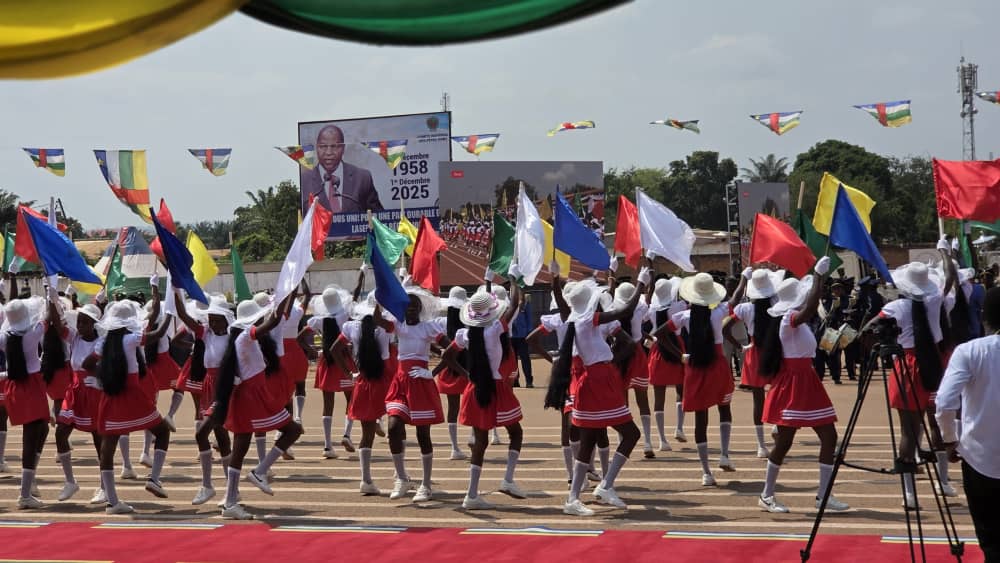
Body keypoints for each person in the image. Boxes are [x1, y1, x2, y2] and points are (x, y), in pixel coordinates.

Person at [550, 267, 649, 516]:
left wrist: (554, 279)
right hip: (597, 380)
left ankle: (577, 496)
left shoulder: (576, 318)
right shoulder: (586, 319)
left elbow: (565, 306)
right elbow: (625, 311)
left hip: (596, 378)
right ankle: (603, 486)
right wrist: (640, 283)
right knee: (630, 434)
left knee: (590, 440)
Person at [756, 257, 849, 513]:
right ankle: (766, 495)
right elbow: (809, 309)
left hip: (807, 381)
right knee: (784, 443)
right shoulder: (789, 318)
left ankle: (823, 496)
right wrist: (819, 277)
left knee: (829, 437)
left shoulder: (795, 319)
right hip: (794, 384)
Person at [867, 244, 955, 509]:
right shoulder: (935, 298)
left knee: (909, 432)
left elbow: (871, 327)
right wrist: (946, 254)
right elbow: (950, 278)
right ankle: (943, 482)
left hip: (907, 365)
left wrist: (885, 337)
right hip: (936, 364)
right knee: (936, 424)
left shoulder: (895, 307)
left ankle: (909, 495)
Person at [213, 298, 304, 520]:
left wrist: (288, 295)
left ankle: (231, 500)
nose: (260, 320)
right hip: (252, 395)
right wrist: (286, 294)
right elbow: (272, 322)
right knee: (292, 430)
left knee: (241, 447)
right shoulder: (245, 337)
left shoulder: (243, 339)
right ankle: (258, 472)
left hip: (251, 393)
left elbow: (274, 322)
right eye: (257, 318)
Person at [442, 287, 527, 509]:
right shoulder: (496, 328)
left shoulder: (466, 334)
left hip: (476, 386)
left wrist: (467, 374)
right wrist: (515, 280)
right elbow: (516, 304)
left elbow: (447, 356)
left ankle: (471, 494)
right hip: (497, 386)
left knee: (480, 443)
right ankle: (507, 479)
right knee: (516, 434)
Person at [935, 287, 1000, 562]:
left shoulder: (970, 351)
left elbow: (945, 402)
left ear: (985, 316)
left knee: (990, 539)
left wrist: (949, 440)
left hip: (980, 458)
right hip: (979, 457)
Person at [94, 300, 174, 514]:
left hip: (111, 395)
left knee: (108, 446)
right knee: (162, 431)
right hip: (133, 394)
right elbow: (158, 333)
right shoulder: (130, 339)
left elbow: (86, 364)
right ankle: (154, 478)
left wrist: (103, 377)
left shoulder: (103, 343)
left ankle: (112, 501)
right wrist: (169, 314)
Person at [661, 273, 736, 486]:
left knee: (700, 420)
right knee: (724, 408)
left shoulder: (684, 316)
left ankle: (706, 472)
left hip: (695, 366)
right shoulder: (720, 310)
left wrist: (679, 355)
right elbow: (735, 299)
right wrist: (744, 280)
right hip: (718, 364)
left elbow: (661, 334)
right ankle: (724, 454)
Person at [381, 286, 448, 503]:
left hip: (420, 382)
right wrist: (381, 299)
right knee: (393, 427)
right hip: (400, 381)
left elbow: (452, 349)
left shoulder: (428, 328)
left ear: (419, 309)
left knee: (422, 435)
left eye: (414, 306)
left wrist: (432, 372)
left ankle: (426, 485)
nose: (410, 309)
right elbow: (379, 322)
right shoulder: (398, 326)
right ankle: (401, 478)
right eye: (407, 305)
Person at [174, 293, 235, 506]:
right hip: (209, 385)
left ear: (226, 319)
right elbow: (183, 315)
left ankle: (209, 486)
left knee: (202, 433)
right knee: (221, 436)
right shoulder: (205, 333)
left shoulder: (234, 336)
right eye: (210, 318)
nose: (212, 322)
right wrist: (175, 289)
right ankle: (230, 489)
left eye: (217, 318)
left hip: (225, 387)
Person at [329, 294, 393, 496]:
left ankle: (366, 480)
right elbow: (385, 357)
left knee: (367, 435)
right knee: (396, 429)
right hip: (383, 381)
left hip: (363, 382)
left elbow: (334, 349)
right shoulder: (383, 330)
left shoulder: (351, 328)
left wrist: (349, 373)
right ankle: (400, 475)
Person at [725, 267, 785, 459]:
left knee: (757, 400)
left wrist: (740, 346)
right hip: (775, 351)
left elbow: (725, 327)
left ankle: (761, 445)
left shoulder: (745, 308)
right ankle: (776, 425)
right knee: (778, 393)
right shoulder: (777, 304)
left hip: (754, 353)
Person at [50, 298, 105, 504]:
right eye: (79, 321)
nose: (80, 325)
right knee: (61, 432)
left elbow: (112, 367)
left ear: (94, 324)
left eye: (85, 322)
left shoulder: (102, 343)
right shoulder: (74, 338)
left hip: (93, 391)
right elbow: (57, 324)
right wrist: (51, 296)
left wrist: (99, 377)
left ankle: (104, 486)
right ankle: (70, 481)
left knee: (99, 440)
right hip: (73, 392)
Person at [0, 297, 51, 509]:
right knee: (31, 438)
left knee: (42, 429)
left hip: (17, 385)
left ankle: (29, 482)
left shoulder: (4, 337)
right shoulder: (33, 333)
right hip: (32, 384)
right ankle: (24, 493)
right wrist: (51, 294)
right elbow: (48, 317)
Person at [301, 286, 354, 459]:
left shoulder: (317, 320)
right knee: (351, 399)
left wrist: (314, 352)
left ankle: (327, 445)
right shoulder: (345, 316)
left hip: (326, 362)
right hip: (343, 360)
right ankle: (346, 435)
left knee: (327, 404)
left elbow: (299, 338)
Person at [608, 278, 655, 458]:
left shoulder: (613, 310)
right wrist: (644, 281)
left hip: (619, 354)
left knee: (622, 401)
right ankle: (648, 442)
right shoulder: (640, 308)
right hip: (637, 353)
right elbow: (646, 300)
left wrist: (611, 275)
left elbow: (608, 295)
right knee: (643, 400)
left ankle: (622, 440)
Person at [300, 124, 383, 214]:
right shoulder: (304, 181)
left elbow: (379, 218)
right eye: (323, 146)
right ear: (316, 148)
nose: (328, 152)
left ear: (343, 148)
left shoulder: (362, 178)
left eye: (334, 146)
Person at [647, 277, 686, 451]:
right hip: (677, 345)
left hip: (657, 349)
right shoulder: (678, 306)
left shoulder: (652, 308)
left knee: (658, 396)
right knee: (681, 390)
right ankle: (679, 428)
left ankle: (662, 439)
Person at [437, 286, 470, 460]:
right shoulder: (468, 321)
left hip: (449, 368)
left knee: (453, 408)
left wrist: (440, 354)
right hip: (467, 367)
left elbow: (433, 341)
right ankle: (473, 437)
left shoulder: (442, 322)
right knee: (472, 404)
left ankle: (454, 447)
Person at [510, 296, 534, 388]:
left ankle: (529, 380)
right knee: (513, 360)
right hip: (511, 335)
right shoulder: (505, 299)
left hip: (522, 335)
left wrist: (529, 331)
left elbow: (529, 317)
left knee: (525, 358)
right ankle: (515, 380)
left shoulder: (525, 301)